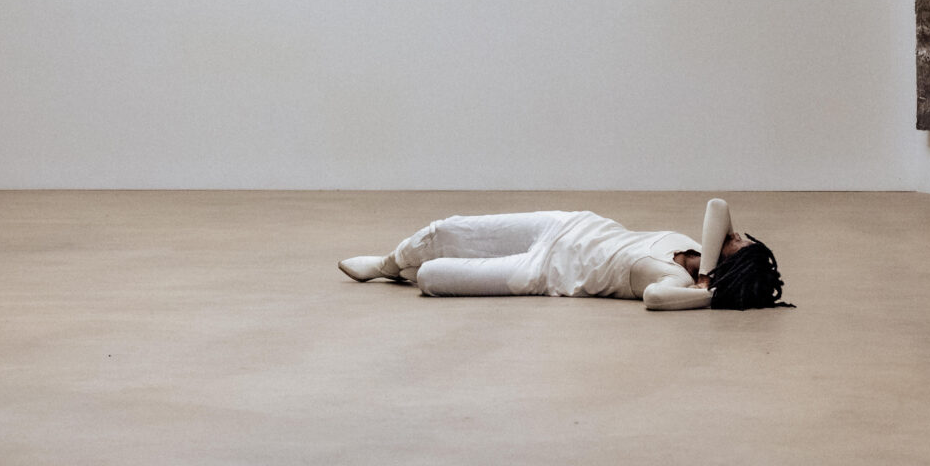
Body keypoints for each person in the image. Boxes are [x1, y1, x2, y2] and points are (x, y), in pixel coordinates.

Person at [338, 198, 789, 311]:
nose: (736, 233)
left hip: (545, 272)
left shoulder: (680, 284)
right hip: (566, 224)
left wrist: (709, 291)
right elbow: (718, 207)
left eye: (740, 242)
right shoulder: (696, 244)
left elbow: (654, 300)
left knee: (433, 277)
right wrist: (711, 270)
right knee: (444, 230)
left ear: (735, 263)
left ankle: (405, 271)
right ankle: (384, 266)